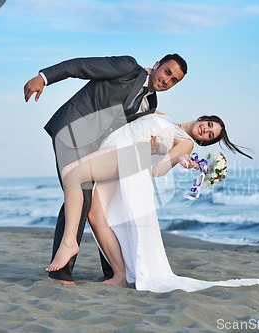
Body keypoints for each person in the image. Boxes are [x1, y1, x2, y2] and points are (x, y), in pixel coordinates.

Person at [46, 112, 259, 292]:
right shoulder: (164, 116)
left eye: (209, 136)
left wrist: (178, 159)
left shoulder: (186, 142)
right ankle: (119, 275)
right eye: (208, 125)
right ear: (203, 118)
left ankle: (70, 243)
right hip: (118, 149)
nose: (205, 131)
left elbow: (157, 169)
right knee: (96, 215)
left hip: (127, 155)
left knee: (73, 174)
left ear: (204, 143)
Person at [24, 54, 188, 285]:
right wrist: (44, 77)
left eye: (173, 81)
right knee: (82, 194)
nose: (166, 80)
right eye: (167, 72)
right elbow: (81, 66)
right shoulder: (128, 68)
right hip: (71, 129)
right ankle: (60, 273)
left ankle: (112, 271)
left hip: (95, 147)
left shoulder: (150, 104)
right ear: (157, 65)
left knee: (100, 201)